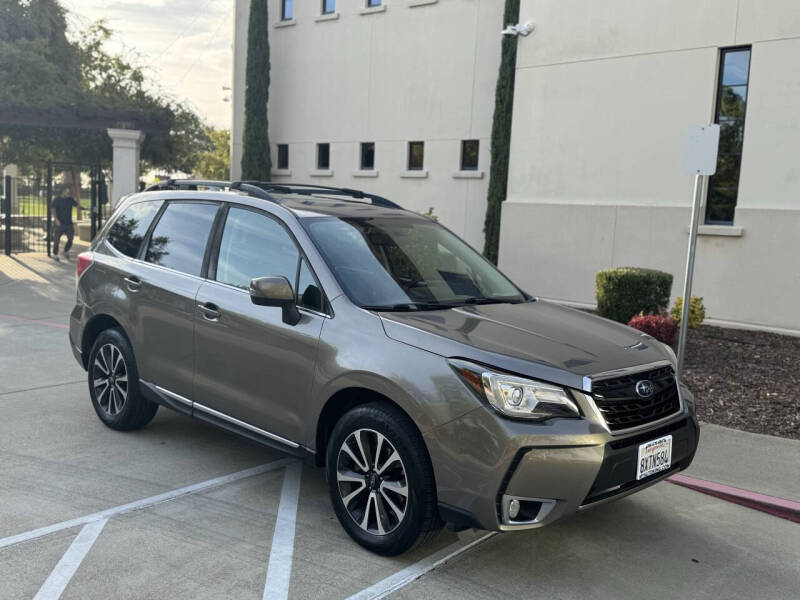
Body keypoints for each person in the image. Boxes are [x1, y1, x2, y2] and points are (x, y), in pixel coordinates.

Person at [52, 186, 78, 261]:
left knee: (70, 239)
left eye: (69, 192)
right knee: (56, 240)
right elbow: (53, 210)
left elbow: (77, 206)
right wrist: (56, 219)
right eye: (67, 192)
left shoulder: (70, 200)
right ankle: (55, 254)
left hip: (69, 224)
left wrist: (86, 208)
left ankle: (66, 251)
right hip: (59, 223)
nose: (69, 194)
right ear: (63, 192)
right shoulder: (57, 200)